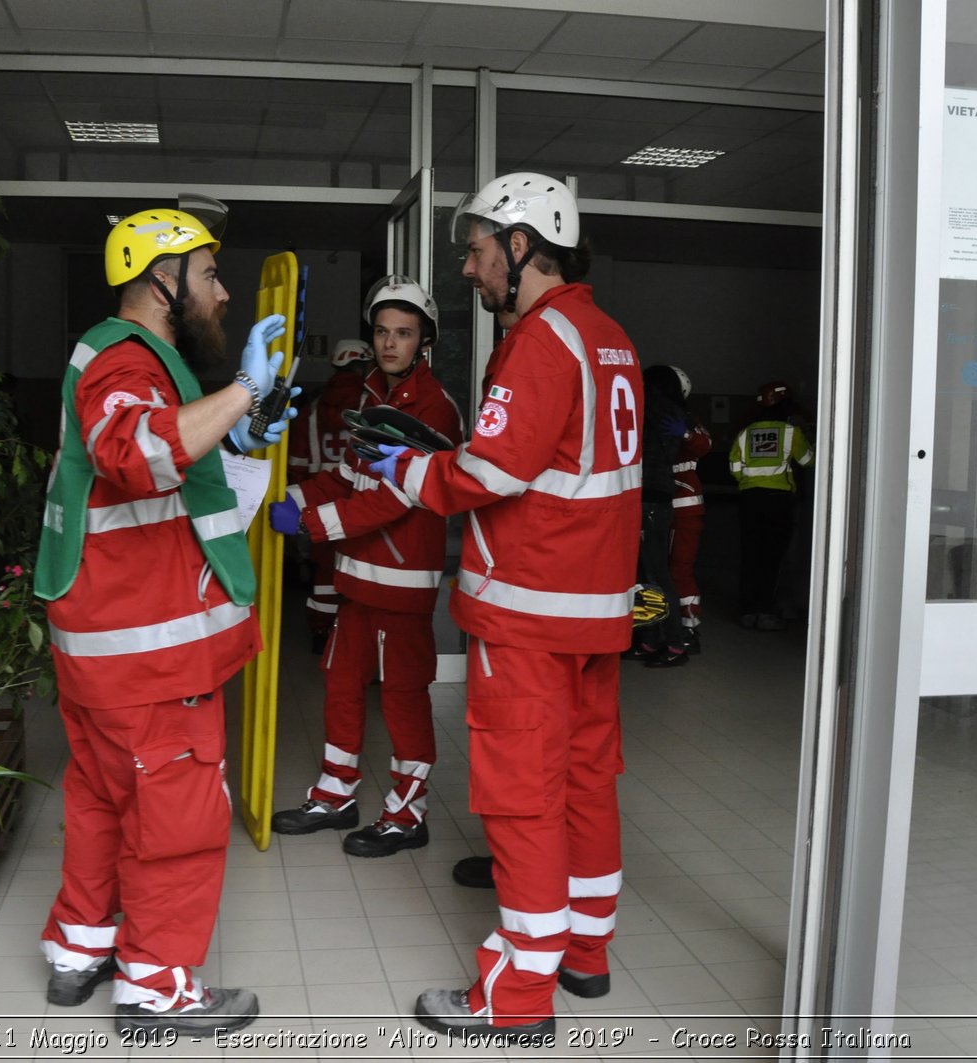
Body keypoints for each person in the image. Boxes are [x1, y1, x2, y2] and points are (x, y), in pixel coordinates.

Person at [370, 174, 644, 1042]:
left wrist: (403, 471)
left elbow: (488, 475)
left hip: (528, 617)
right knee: (585, 782)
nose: (469, 266)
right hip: (593, 613)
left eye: (481, 249)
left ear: (523, 247)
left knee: (525, 798)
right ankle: (585, 952)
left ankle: (515, 998)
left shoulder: (538, 341)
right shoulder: (609, 338)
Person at [33, 204, 297, 1033]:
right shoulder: (126, 361)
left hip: (107, 652)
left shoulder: (138, 358)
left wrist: (244, 430)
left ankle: (80, 948)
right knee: (175, 815)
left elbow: (180, 461)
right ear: (162, 280)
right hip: (151, 657)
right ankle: (155, 984)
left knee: (105, 800)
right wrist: (246, 388)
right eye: (211, 275)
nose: (223, 295)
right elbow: (137, 454)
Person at [268, 277, 463, 857]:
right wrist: (295, 497)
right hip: (358, 579)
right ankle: (336, 793)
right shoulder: (369, 398)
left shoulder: (436, 408)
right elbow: (350, 478)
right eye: (382, 332)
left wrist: (312, 525)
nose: (389, 343)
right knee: (341, 684)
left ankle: (408, 812)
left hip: (401, 586)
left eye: (403, 334)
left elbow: (396, 498)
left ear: (423, 340)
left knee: (403, 697)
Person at [286, 339, 373, 653]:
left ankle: (321, 634)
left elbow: (297, 462)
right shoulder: (371, 406)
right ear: (362, 366)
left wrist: (302, 497)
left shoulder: (311, 409)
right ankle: (353, 639)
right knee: (359, 571)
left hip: (318, 501)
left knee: (324, 574)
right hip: (359, 504)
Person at [728, 380, 813, 630]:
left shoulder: (745, 433)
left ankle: (747, 611)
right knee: (772, 557)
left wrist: (748, 481)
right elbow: (808, 461)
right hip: (778, 500)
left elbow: (733, 467)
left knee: (751, 554)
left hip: (749, 499)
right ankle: (765, 612)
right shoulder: (790, 432)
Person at [629, 364, 689, 667]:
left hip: (649, 497)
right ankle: (652, 640)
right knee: (646, 574)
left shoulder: (651, 408)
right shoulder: (670, 411)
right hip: (653, 497)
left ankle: (673, 643)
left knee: (652, 574)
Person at [661, 366, 710, 655]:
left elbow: (705, 445)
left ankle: (688, 627)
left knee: (679, 568)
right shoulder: (648, 418)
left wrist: (686, 434)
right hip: (657, 503)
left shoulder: (688, 421)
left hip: (685, 507)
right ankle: (658, 626)